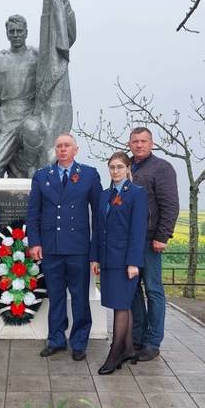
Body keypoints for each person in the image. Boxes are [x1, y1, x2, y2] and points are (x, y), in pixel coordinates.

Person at [27, 133, 103, 361]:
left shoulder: (89, 175)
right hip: (51, 248)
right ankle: (56, 339)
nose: (62, 149)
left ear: (75, 150)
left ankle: (79, 342)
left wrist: (95, 252)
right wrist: (35, 242)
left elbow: (98, 217)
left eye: (67, 145)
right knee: (56, 296)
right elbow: (33, 213)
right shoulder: (42, 176)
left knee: (80, 297)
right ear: (55, 150)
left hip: (78, 248)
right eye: (59, 146)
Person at [90, 152, 147, 375]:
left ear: (128, 168)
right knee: (121, 303)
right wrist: (94, 257)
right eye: (112, 167)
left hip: (125, 262)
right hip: (107, 259)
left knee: (121, 306)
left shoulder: (136, 193)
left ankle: (115, 353)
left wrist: (133, 262)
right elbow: (98, 228)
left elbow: (138, 230)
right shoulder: (104, 195)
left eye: (120, 167)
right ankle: (129, 348)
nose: (115, 171)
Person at [128, 127, 179, 362]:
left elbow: (170, 205)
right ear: (129, 144)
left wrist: (163, 235)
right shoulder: (126, 166)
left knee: (153, 290)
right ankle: (137, 336)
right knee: (133, 291)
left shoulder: (162, 168)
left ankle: (153, 341)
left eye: (143, 141)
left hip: (150, 240)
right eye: (135, 141)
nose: (139, 145)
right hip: (130, 241)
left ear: (152, 144)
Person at [0, 14, 46, 178]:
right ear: (7, 33)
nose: (16, 34)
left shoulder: (38, 57)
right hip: (5, 120)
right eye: (12, 31)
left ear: (26, 32)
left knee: (33, 133)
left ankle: (29, 165)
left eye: (19, 31)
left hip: (31, 116)